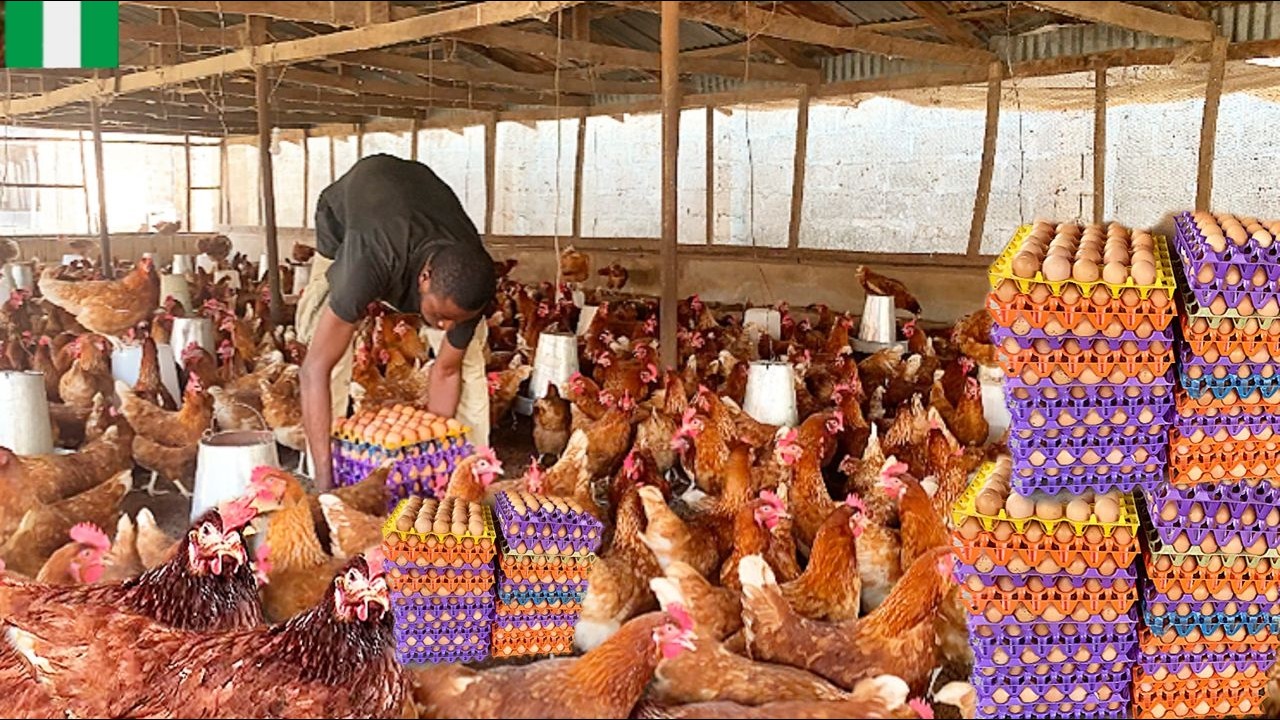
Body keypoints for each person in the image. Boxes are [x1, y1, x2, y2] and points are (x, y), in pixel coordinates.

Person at [297, 154, 497, 491]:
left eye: (456, 320)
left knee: (469, 360)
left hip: (421, 198)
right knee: (331, 358)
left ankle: (468, 476)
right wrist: (325, 486)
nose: (446, 327)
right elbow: (313, 370)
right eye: (441, 316)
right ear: (424, 278)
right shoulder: (366, 263)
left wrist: (431, 455)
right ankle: (325, 467)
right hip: (350, 220)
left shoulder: (470, 282)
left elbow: (447, 370)